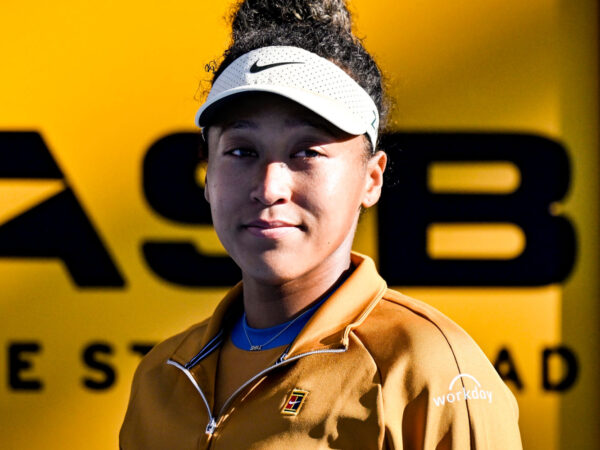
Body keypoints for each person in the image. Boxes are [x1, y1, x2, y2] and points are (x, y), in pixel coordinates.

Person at [120, 0, 522, 448]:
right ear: (208, 177)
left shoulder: (426, 369)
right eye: (241, 151)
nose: (270, 186)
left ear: (372, 179)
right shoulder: (164, 374)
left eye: (307, 151)